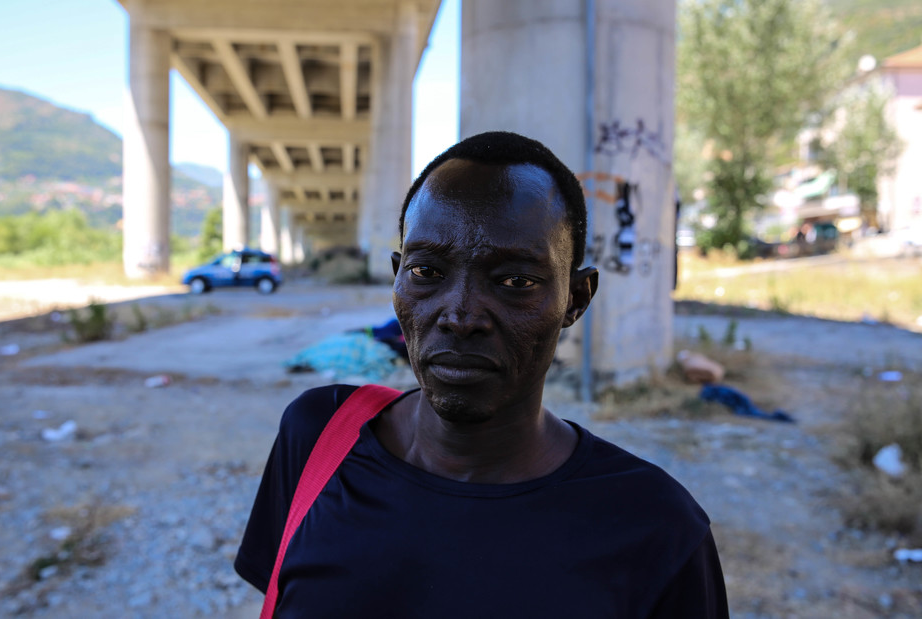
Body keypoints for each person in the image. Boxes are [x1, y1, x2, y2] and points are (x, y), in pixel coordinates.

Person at [235, 131, 729, 618]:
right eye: (427, 272)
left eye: (516, 281)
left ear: (575, 300)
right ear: (397, 276)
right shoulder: (320, 435)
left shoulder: (656, 530)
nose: (460, 315)